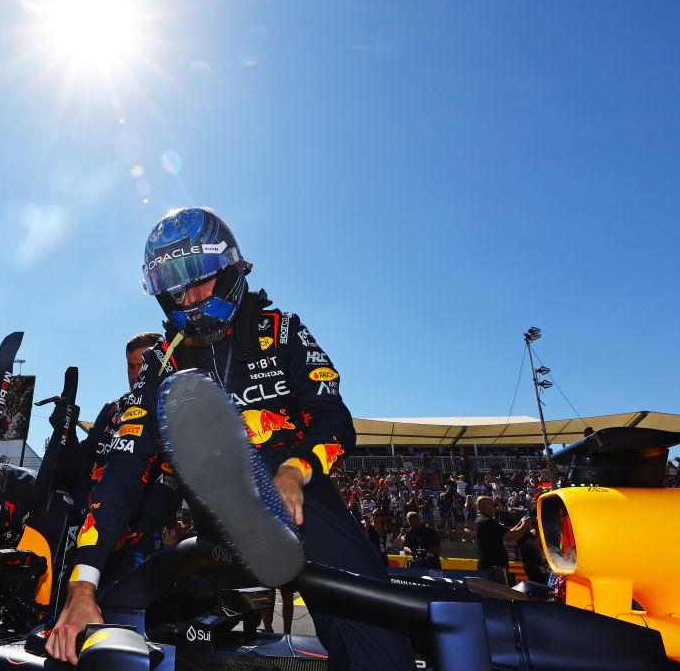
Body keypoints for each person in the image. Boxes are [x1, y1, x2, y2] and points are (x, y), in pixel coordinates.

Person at [48, 207, 414, 667]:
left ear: (231, 270)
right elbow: (124, 467)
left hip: (300, 501)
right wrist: (82, 589)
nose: (190, 298)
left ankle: (268, 514)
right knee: (176, 411)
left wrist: (295, 470)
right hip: (213, 519)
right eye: (177, 290)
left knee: (378, 643)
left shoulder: (282, 331)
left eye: (201, 281)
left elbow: (334, 419)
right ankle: (240, 514)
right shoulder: (161, 364)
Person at [77, 331, 179, 583]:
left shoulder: (179, 414)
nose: (136, 373)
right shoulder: (112, 409)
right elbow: (84, 459)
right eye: (130, 366)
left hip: (151, 538)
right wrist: (65, 432)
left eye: (142, 365)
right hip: (102, 529)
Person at [475, 496, 530, 581]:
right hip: (494, 565)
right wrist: (525, 524)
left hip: (489, 564)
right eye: (493, 505)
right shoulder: (487, 521)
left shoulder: (481, 519)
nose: (495, 508)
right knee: (497, 589)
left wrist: (520, 524)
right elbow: (512, 536)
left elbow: (506, 533)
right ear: (486, 506)